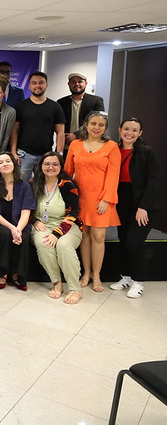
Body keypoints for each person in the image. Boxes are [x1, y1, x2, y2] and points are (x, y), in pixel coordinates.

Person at [65, 111, 120, 292]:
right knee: (84, 236)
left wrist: (106, 199)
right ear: (86, 125)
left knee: (99, 237)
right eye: (93, 124)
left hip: (101, 199)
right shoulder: (75, 144)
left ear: (105, 128)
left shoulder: (112, 147)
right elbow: (67, 172)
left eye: (101, 125)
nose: (97, 127)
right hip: (80, 198)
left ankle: (97, 276)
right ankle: (86, 273)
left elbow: (113, 176)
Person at [110, 118, 158, 299]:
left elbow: (153, 180)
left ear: (140, 133)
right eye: (126, 129)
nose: (129, 133)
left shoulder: (146, 152)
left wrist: (143, 206)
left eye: (134, 130)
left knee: (134, 242)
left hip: (143, 204)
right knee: (123, 240)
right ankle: (126, 277)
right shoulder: (113, 149)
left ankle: (138, 281)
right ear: (119, 129)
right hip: (122, 200)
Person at [31, 152, 83, 304]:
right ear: (41, 166)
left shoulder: (68, 185)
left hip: (67, 225)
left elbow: (73, 213)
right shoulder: (33, 184)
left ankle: (75, 288)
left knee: (63, 245)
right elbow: (26, 208)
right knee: (43, 243)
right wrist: (34, 221)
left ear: (61, 167)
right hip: (42, 224)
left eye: (55, 164)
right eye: (47, 164)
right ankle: (56, 282)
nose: (51, 167)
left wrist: (57, 233)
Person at [0, 151, 36, 291]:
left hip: (20, 223)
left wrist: (18, 229)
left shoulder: (24, 186)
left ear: (14, 164)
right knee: (5, 233)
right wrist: (12, 229)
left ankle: (17, 275)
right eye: (0, 162)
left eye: (8, 161)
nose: (5, 164)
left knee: (24, 235)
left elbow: (26, 212)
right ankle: (2, 274)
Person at [10, 71, 65, 181]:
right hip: (23, 155)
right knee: (21, 185)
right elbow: (14, 131)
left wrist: (58, 154)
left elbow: (60, 132)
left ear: (46, 85)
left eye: (41, 83)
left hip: (46, 155)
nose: (37, 86)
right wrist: (13, 152)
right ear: (29, 85)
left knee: (43, 185)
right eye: (34, 83)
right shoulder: (21, 106)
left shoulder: (55, 107)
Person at [58, 72, 106, 147]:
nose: (77, 84)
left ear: (86, 83)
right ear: (69, 84)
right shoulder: (61, 102)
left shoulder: (96, 101)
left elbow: (98, 123)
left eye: (80, 81)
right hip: (66, 145)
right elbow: (57, 124)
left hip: (88, 145)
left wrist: (76, 135)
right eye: (73, 82)